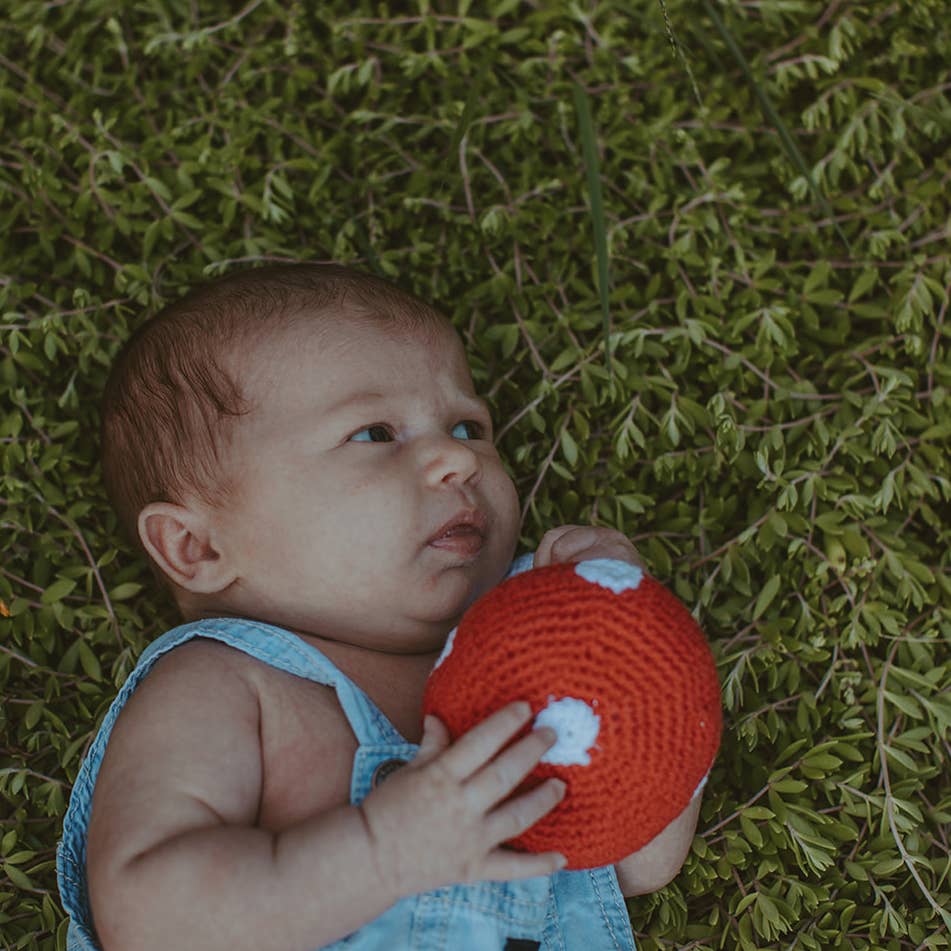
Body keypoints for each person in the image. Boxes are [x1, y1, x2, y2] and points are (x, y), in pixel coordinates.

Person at [57, 263, 702, 950]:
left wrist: (633, 645)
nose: (455, 461)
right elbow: (149, 918)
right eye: (373, 434)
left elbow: (643, 861)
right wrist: (381, 851)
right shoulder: (225, 685)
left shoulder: (535, 664)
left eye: (466, 426)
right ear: (196, 546)